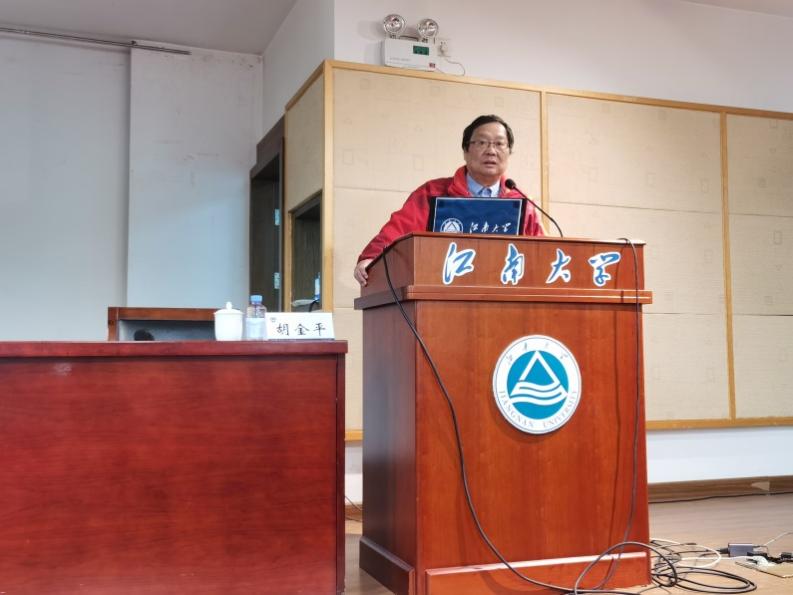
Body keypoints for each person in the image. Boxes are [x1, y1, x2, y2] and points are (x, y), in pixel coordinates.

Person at [353, 114, 544, 286]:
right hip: (441, 291)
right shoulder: (433, 193)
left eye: (499, 144)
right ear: (465, 150)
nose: (491, 151)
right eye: (482, 142)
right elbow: (398, 231)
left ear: (509, 152)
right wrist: (372, 259)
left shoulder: (521, 203)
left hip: (503, 294)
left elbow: (542, 253)